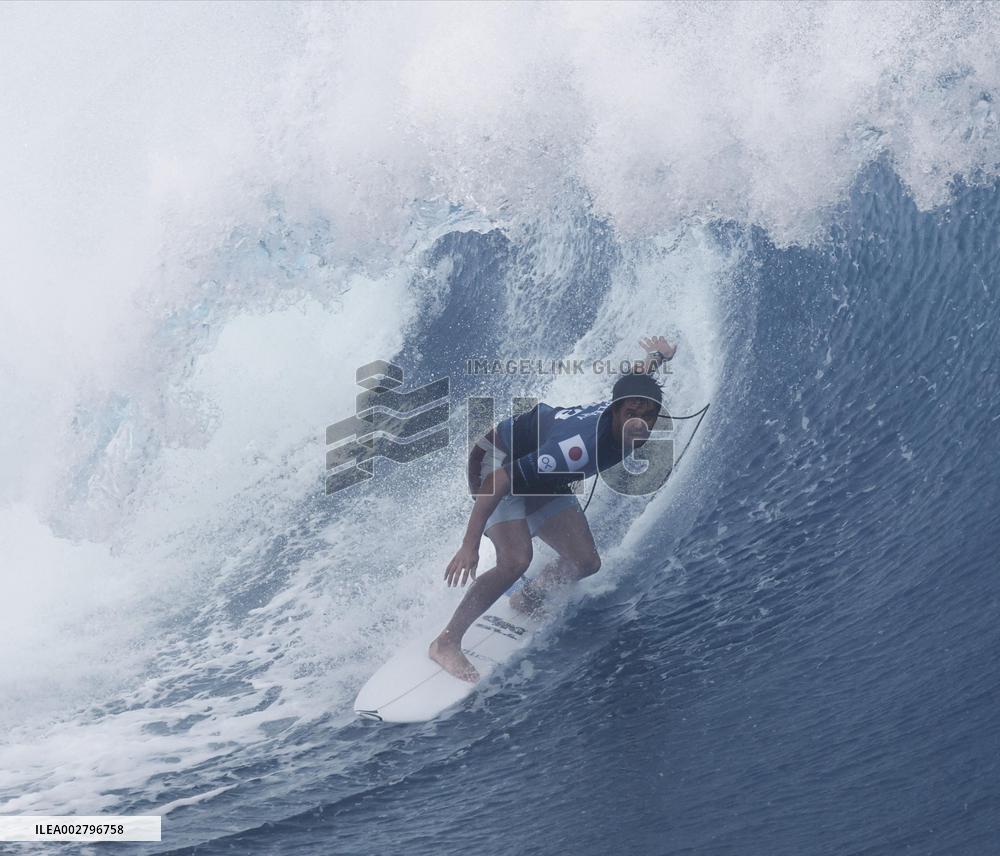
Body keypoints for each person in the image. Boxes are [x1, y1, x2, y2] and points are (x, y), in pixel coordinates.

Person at [428, 336, 677, 681]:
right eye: (631, 414)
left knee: (585, 562)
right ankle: (446, 642)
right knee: (516, 560)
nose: (639, 422)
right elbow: (500, 480)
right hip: (497, 463)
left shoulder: (631, 410)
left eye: (647, 415)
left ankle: (526, 600)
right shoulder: (577, 449)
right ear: (617, 410)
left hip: (540, 471)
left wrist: (656, 358)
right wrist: (469, 544)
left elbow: (637, 386)